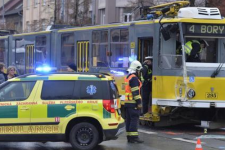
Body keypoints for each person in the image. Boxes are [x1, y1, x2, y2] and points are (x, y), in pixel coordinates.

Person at [124, 60, 144, 144]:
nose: (140, 72)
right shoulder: (134, 78)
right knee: (134, 120)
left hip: (127, 102)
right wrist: (139, 102)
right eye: (139, 71)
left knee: (128, 120)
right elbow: (135, 92)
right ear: (136, 70)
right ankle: (134, 137)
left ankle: (129, 137)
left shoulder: (128, 77)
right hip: (133, 103)